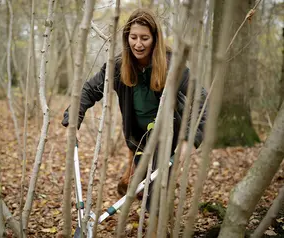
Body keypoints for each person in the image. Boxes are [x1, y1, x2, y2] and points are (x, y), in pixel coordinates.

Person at [61, 8, 207, 205]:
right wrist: (72, 120)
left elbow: (202, 98)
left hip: (167, 138)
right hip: (138, 139)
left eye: (145, 38)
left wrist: (189, 140)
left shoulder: (172, 66)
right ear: (127, 38)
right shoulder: (119, 66)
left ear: (155, 39)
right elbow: (89, 91)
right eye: (133, 37)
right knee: (139, 189)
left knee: (155, 195)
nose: (138, 44)